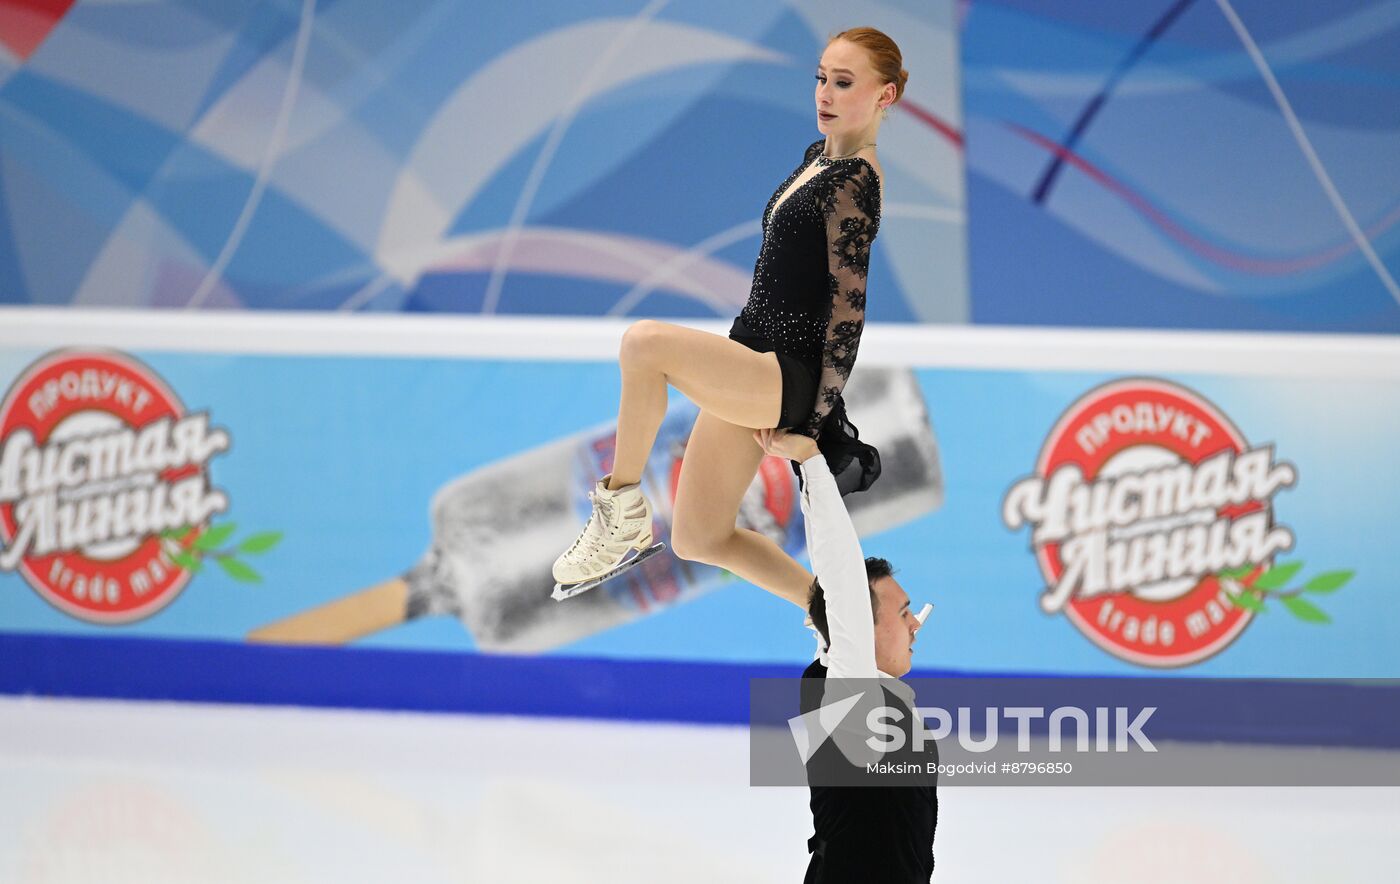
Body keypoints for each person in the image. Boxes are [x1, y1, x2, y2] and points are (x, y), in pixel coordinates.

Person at [553, 27, 911, 599]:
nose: (824, 94)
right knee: (699, 536)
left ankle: (619, 510)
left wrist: (814, 423)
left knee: (644, 344)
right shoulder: (818, 159)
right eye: (821, 78)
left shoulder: (857, 183)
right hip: (750, 356)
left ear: (884, 96)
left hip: (783, 374)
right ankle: (842, 621)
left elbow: (849, 315)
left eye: (843, 83)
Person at [754, 427, 937, 883]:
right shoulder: (853, 699)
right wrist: (811, 462)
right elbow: (838, 572)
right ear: (860, 626)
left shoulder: (837, 679)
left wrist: (807, 471)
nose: (915, 624)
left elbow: (832, 588)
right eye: (903, 613)